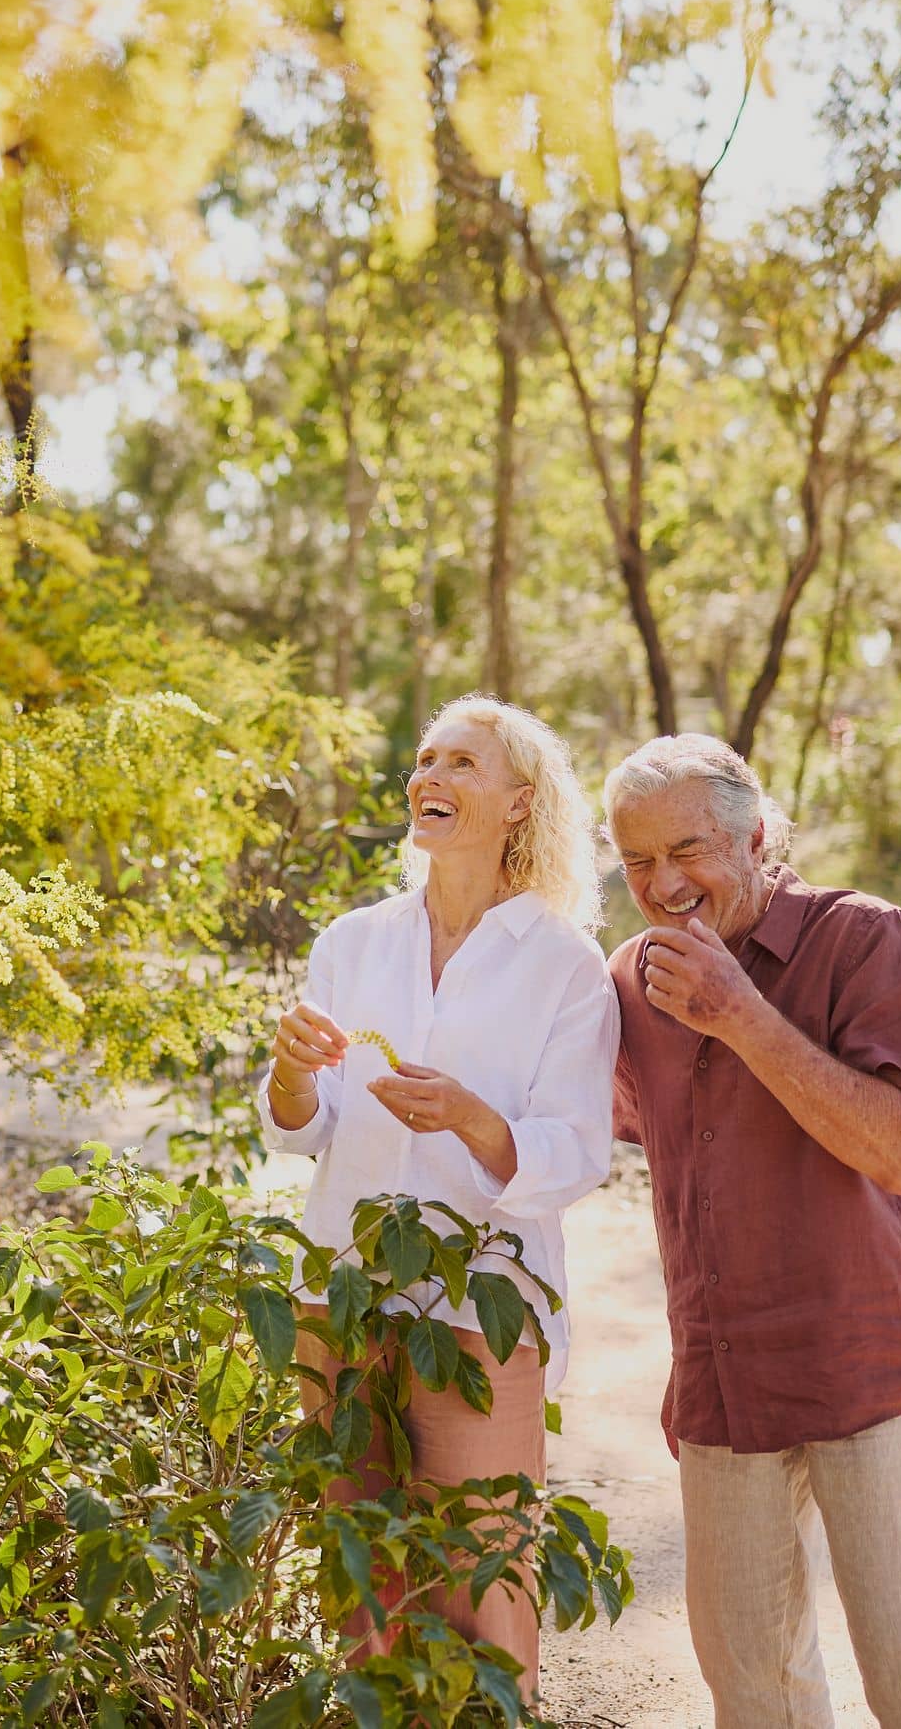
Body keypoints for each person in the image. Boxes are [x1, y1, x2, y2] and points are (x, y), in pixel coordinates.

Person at [600, 734, 901, 1729]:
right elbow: (561, 1129)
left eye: (687, 849)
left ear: (755, 836)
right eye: (638, 861)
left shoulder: (859, 936)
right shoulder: (629, 978)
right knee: (754, 1696)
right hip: (724, 1378)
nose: (664, 884)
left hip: (875, 1364)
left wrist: (739, 1016)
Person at [262, 694, 621, 1694]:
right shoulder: (353, 942)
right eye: (425, 758)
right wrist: (290, 1073)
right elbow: (304, 1122)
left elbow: (577, 1148)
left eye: (461, 762)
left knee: (478, 1577)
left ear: (517, 802)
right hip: (342, 1292)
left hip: (479, 1306)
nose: (430, 777)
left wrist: (469, 1117)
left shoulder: (564, 965)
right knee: (356, 1566)